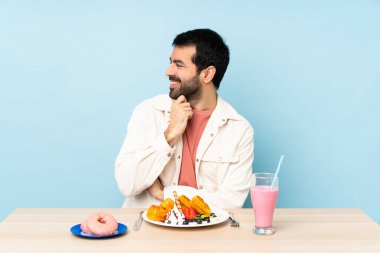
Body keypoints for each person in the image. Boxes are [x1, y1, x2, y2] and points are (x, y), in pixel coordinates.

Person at [115, 28, 254, 208]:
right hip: (149, 229)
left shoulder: (239, 130)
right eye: (170, 62)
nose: (168, 71)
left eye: (179, 65)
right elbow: (126, 184)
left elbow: (231, 202)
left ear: (207, 74)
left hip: (206, 233)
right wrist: (169, 135)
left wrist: (164, 194)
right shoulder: (148, 112)